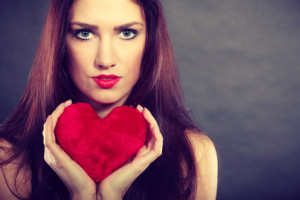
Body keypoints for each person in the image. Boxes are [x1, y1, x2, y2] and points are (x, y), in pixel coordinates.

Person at [0, 0, 218, 199]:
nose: (105, 59)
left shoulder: (193, 156)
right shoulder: (6, 158)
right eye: (84, 33)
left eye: (127, 33)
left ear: (150, 42)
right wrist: (81, 195)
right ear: (60, 42)